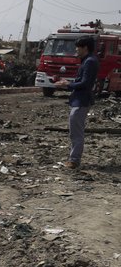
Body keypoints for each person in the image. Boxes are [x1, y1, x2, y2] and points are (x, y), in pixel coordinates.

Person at [55, 35, 100, 169]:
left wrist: (68, 85)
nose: (76, 50)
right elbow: (82, 81)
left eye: (78, 47)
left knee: (76, 132)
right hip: (79, 100)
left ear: (85, 48)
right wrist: (68, 83)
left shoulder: (89, 61)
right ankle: (73, 159)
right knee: (75, 131)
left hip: (82, 100)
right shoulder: (88, 60)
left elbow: (85, 83)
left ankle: (74, 160)